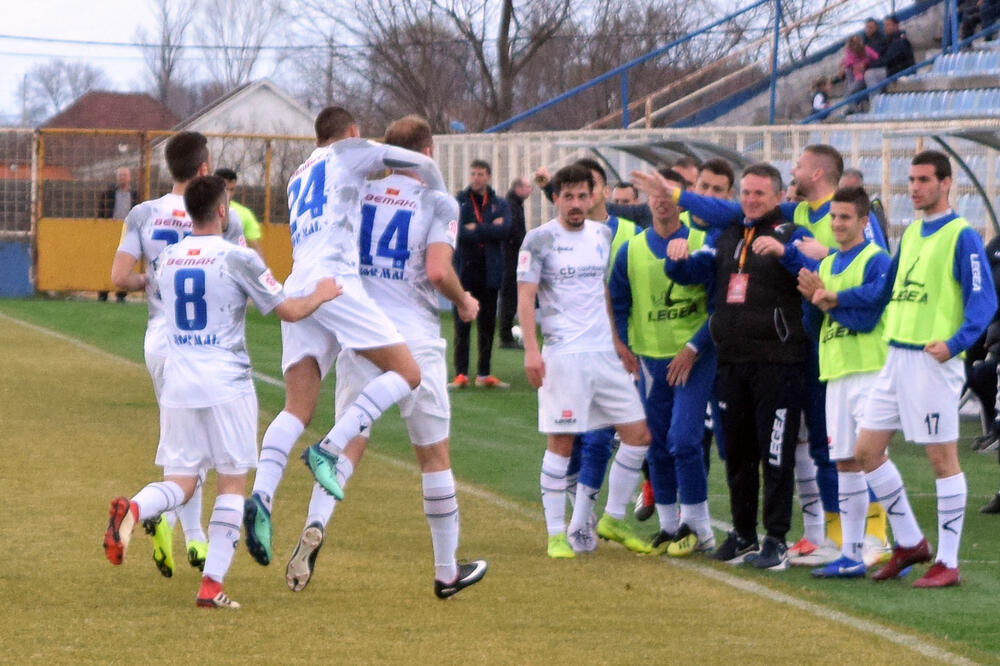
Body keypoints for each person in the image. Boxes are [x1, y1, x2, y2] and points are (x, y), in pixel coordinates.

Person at [103, 175, 341, 609]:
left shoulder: (167, 259)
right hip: (226, 381)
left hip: (178, 381)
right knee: (232, 482)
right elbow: (288, 309)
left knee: (181, 480)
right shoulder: (238, 258)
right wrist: (321, 295)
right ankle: (211, 586)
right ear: (221, 211)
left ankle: (134, 510)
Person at [282, 115, 488, 599]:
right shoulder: (438, 200)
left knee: (351, 445)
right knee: (434, 455)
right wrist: (463, 300)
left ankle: (315, 522)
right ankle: (445, 571)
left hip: (365, 332)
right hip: (413, 336)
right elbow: (438, 270)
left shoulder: (358, 188)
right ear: (427, 152)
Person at [243, 106, 450, 567]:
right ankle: (330, 447)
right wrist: (436, 185)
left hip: (299, 284)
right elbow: (414, 162)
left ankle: (262, 496)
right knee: (409, 371)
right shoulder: (348, 152)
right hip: (335, 280)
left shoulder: (297, 174)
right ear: (352, 133)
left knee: (296, 407)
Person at [641, 163, 813, 571]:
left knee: (775, 454)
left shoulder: (793, 232)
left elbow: (817, 275)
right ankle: (742, 534)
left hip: (778, 361)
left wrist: (786, 255)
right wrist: (676, 261)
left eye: (760, 194)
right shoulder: (727, 234)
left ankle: (775, 539)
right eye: (747, 194)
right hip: (732, 362)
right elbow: (695, 273)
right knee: (736, 453)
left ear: (777, 197)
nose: (752, 201)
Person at [854, 150, 996, 587]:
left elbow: (984, 299)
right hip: (895, 357)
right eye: (911, 180)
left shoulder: (962, 235)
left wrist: (955, 344)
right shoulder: (912, 231)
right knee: (866, 452)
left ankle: (949, 563)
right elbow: (885, 290)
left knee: (942, 459)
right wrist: (833, 297)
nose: (914, 187)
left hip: (932, 361)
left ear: (946, 183)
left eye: (923, 180)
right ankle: (911, 542)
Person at [110, 131, 246, 579]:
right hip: (206, 344)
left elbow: (119, 277)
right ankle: (190, 534)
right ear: (206, 168)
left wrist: (152, 281)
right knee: (208, 452)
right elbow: (240, 276)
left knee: (184, 449)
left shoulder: (144, 213)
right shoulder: (222, 216)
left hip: (159, 338)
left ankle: (193, 538)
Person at [517, 164, 651, 559]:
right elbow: (526, 298)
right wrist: (531, 349)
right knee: (562, 441)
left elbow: (601, 292)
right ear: (555, 197)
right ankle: (556, 533)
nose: (575, 204)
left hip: (603, 356)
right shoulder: (538, 241)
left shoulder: (602, 234)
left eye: (582, 196)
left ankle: (611, 517)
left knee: (638, 435)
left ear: (594, 196)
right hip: (563, 355)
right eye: (567, 196)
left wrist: (617, 343)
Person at [608, 168, 716, 557]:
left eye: (666, 192)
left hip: (694, 359)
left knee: (685, 439)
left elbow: (717, 305)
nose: (660, 199)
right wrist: (623, 345)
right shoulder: (632, 249)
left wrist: (694, 347)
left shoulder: (703, 241)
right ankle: (670, 526)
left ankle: (700, 529)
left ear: (678, 196)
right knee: (655, 445)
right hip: (650, 363)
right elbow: (618, 301)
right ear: (645, 200)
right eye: (651, 193)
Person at [786, 186, 893, 578]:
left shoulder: (875, 260)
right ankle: (850, 552)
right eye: (833, 217)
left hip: (869, 370)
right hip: (835, 373)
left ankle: (886, 542)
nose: (837, 224)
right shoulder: (827, 265)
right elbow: (813, 324)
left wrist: (827, 300)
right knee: (845, 461)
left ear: (864, 221)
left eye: (845, 217)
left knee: (871, 457)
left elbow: (867, 318)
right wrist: (819, 301)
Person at [449, 159, 511, 389]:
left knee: (487, 324)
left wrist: (478, 228)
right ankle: (461, 373)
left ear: (489, 176)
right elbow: (457, 232)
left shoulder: (499, 203)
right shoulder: (459, 202)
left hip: (490, 271)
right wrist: (488, 228)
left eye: (481, 173)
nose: (476, 177)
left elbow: (504, 230)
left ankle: (484, 373)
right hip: (465, 271)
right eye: (473, 173)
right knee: (461, 323)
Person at [499, 177, 530, 349]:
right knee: (509, 297)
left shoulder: (514, 204)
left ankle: (506, 334)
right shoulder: (511, 205)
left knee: (510, 296)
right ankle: (505, 336)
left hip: (512, 257)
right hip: (511, 258)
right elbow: (513, 231)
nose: (530, 191)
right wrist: (525, 245)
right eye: (527, 187)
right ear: (518, 188)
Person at [98, 167, 136, 303]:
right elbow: (101, 212)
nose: (122, 178)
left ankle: (121, 294)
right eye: (120, 175)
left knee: (124, 263)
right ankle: (103, 292)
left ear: (129, 177)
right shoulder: (108, 194)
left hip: (128, 232)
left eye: (124, 175)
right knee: (106, 261)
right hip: (109, 231)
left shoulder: (135, 195)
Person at [215, 167, 264, 257]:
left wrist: (261, 268)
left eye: (232, 189)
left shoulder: (244, 213)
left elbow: (254, 245)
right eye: (225, 189)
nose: (228, 193)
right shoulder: (202, 211)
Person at [864, 15, 916, 90]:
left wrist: (867, 67)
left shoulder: (900, 40)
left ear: (896, 26)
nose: (885, 27)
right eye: (884, 25)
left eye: (888, 25)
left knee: (870, 74)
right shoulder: (888, 41)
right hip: (892, 70)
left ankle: (875, 100)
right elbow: (880, 55)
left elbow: (886, 59)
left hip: (902, 72)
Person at [835, 35, 879, 113]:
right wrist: (844, 67)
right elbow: (847, 63)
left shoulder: (866, 50)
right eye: (852, 43)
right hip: (853, 77)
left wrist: (865, 65)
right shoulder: (849, 53)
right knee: (848, 90)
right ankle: (854, 108)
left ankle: (856, 109)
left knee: (849, 93)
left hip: (862, 77)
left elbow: (877, 59)